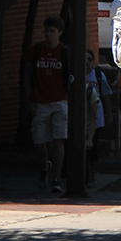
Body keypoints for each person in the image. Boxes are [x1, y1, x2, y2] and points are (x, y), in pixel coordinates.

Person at [29, 15, 70, 194]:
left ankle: (56, 178)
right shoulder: (36, 50)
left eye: (52, 31)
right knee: (39, 142)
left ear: (59, 33)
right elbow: (26, 73)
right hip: (40, 101)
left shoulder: (64, 52)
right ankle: (45, 166)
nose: (48, 34)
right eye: (46, 30)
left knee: (58, 139)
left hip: (60, 101)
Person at [83, 50, 112, 187]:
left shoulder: (99, 76)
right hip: (81, 119)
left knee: (93, 148)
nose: (86, 62)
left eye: (89, 59)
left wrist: (109, 114)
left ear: (93, 62)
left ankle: (92, 176)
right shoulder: (77, 75)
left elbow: (105, 96)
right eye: (84, 60)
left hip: (96, 118)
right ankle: (82, 174)